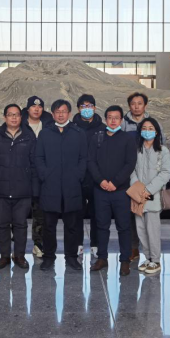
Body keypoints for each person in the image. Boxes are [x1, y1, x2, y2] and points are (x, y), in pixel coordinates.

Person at [0, 104, 38, 271]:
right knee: (2, 225)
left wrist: (34, 190)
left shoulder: (29, 137)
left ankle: (19, 256)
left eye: (17, 115)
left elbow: (34, 165)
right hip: (0, 190)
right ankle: (4, 256)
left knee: (21, 225)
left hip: (23, 190)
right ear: (5, 117)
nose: (14, 117)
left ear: (21, 117)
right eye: (10, 115)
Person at [34, 99, 88, 271]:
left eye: (64, 111)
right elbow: (39, 158)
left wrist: (78, 176)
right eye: (57, 112)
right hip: (50, 186)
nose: (61, 115)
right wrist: (44, 175)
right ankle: (49, 257)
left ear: (69, 113)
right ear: (52, 114)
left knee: (71, 226)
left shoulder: (78, 133)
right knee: (49, 226)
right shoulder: (45, 133)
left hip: (72, 186)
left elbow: (83, 158)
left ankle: (71, 257)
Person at [88, 106, 138, 276]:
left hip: (120, 191)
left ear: (121, 120)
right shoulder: (97, 138)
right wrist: (101, 181)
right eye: (110, 117)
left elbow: (130, 163)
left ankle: (124, 260)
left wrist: (115, 182)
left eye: (116, 118)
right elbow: (91, 162)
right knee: (101, 226)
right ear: (105, 119)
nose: (113, 120)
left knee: (123, 226)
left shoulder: (127, 139)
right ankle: (102, 258)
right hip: (100, 190)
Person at [122, 92, 162, 263]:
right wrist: (135, 183)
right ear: (129, 105)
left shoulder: (153, 123)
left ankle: (153, 256)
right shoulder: (123, 123)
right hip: (131, 177)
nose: (136, 106)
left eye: (140, 103)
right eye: (133, 103)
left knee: (150, 221)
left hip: (151, 181)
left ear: (145, 105)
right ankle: (134, 248)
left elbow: (160, 150)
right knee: (133, 215)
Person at [130, 118, 170, 274]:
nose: (147, 131)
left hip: (153, 196)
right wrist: (138, 188)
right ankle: (147, 258)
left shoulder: (163, 150)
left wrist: (149, 189)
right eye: (144, 128)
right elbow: (131, 170)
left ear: (156, 132)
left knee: (152, 230)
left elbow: (166, 173)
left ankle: (155, 260)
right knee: (141, 229)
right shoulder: (136, 149)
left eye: (151, 128)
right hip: (137, 195)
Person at [71, 93, 106, 259]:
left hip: (96, 178)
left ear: (95, 108)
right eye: (83, 106)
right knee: (76, 214)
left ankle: (95, 245)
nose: (87, 109)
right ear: (78, 109)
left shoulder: (103, 128)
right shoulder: (72, 128)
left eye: (90, 106)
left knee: (97, 214)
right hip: (77, 178)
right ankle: (77, 244)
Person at [21, 95, 54, 259]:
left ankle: (38, 244)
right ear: (28, 109)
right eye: (33, 107)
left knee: (40, 214)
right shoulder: (20, 126)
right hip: (21, 176)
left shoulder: (49, 126)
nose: (36, 109)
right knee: (19, 214)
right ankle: (17, 248)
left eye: (39, 107)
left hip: (41, 177)